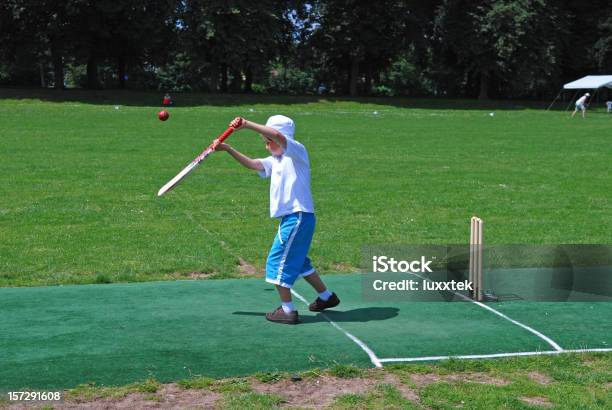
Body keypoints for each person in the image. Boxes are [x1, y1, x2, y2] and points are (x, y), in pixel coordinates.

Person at [216, 115, 340, 324]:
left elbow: (276, 135)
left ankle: (288, 310)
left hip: (298, 217)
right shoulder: (276, 160)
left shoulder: (296, 151)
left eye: (268, 141)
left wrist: (246, 125)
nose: (266, 146)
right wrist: (228, 149)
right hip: (296, 219)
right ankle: (327, 297)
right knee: (300, 261)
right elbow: (254, 165)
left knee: (276, 262)